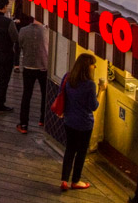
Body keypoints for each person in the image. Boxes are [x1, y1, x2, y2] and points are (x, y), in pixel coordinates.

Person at [58, 53, 106, 191]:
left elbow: (61, 95)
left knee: (70, 149)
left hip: (69, 120)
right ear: (87, 67)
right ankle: (76, 181)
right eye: (93, 64)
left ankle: (64, 180)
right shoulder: (90, 85)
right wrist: (101, 91)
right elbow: (93, 106)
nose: (95, 66)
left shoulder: (68, 77)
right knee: (81, 152)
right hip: (84, 123)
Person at [16, 16, 48, 134]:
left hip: (28, 65)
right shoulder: (46, 32)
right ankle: (43, 119)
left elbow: (20, 44)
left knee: (27, 95)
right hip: (43, 66)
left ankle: (24, 123)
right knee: (45, 93)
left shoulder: (23, 30)